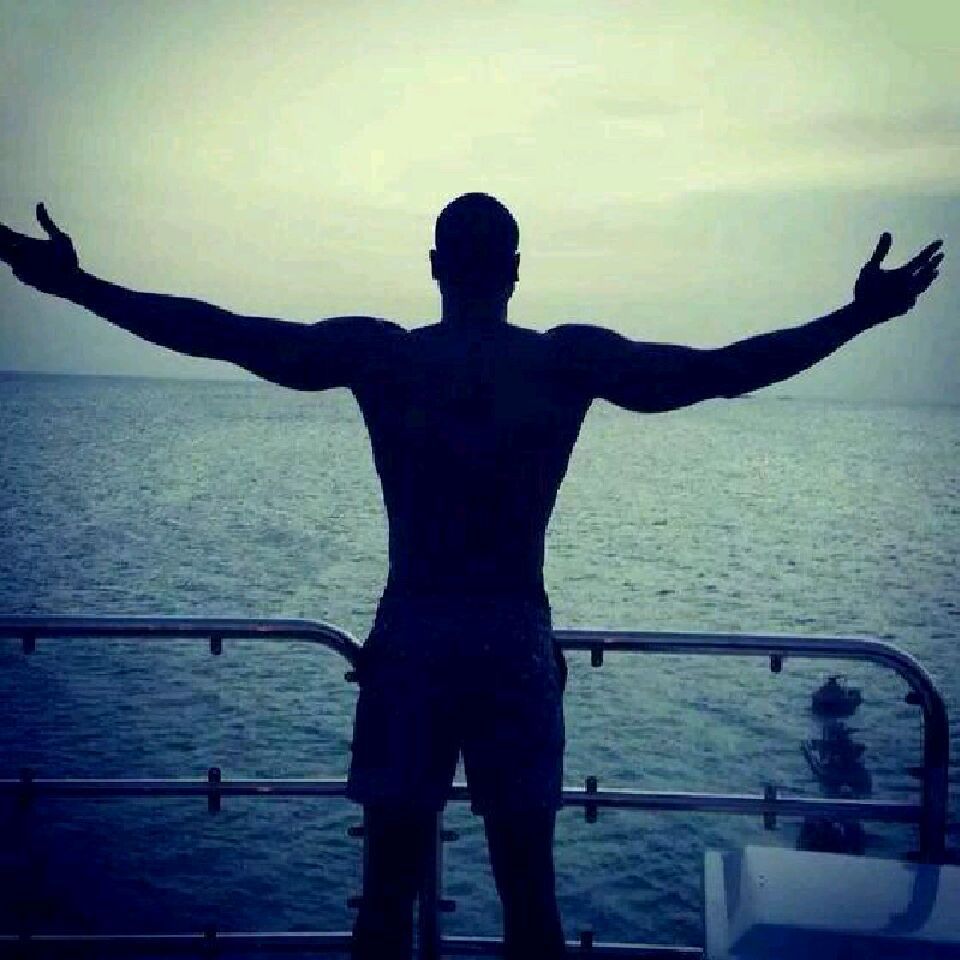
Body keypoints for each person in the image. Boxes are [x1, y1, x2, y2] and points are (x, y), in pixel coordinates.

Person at [0, 194, 944, 958]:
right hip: (512, 643)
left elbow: (221, 333)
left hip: (412, 639)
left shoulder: (385, 357)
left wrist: (76, 285)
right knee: (529, 895)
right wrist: (858, 316)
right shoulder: (564, 362)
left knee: (385, 899)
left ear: (435, 267)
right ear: (517, 270)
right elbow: (720, 371)